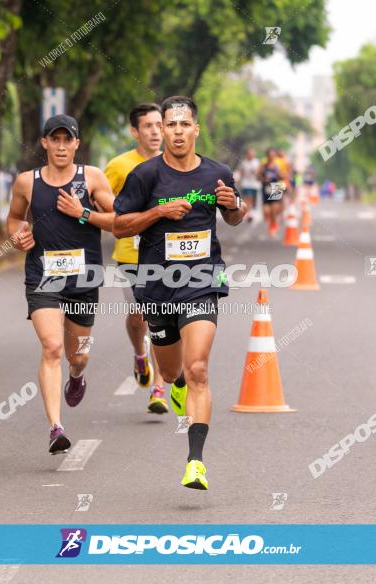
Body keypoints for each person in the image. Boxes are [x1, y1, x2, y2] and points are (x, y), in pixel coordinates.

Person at [113, 96, 246, 490]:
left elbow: (236, 217)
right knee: (172, 371)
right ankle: (177, 385)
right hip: (156, 285)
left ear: (196, 129)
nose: (177, 131)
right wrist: (158, 213)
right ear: (163, 130)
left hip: (202, 281)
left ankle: (195, 462)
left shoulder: (217, 172)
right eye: (170, 125)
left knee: (199, 367)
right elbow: (120, 226)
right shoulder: (146, 176)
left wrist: (234, 204)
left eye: (184, 124)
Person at [6, 114, 115, 454]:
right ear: (45, 143)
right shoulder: (27, 182)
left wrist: (82, 212)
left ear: (77, 144)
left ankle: (78, 375)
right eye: (56, 139)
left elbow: (117, 220)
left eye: (68, 140)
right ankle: (56, 427)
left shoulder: (92, 177)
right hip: (43, 275)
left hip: (84, 277)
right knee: (51, 347)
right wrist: (18, 235)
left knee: (77, 356)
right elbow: (13, 219)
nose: (62, 146)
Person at [105, 103, 168, 413]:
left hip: (164, 257)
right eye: (148, 126)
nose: (156, 132)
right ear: (135, 131)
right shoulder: (118, 166)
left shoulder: (174, 163)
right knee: (138, 319)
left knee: (156, 317)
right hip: (130, 256)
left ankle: (158, 387)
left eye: (160, 125)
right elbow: (103, 205)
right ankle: (139, 355)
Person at [258, 148, 285, 237]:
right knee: (267, 211)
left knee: (274, 209)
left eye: (273, 155)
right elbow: (258, 176)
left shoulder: (279, 164)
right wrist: (263, 179)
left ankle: (273, 226)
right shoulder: (263, 165)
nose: (271, 157)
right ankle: (271, 223)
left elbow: (285, 175)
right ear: (267, 156)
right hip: (266, 187)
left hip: (277, 186)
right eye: (270, 155)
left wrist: (279, 176)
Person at [236, 149, 261, 223]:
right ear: (247, 155)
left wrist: (256, 173)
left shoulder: (257, 162)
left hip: (255, 184)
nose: (251, 156)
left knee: (253, 199)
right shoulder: (244, 162)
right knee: (248, 198)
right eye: (249, 154)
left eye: (252, 154)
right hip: (246, 183)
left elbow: (259, 172)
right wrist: (238, 178)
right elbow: (241, 172)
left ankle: (250, 213)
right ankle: (247, 213)